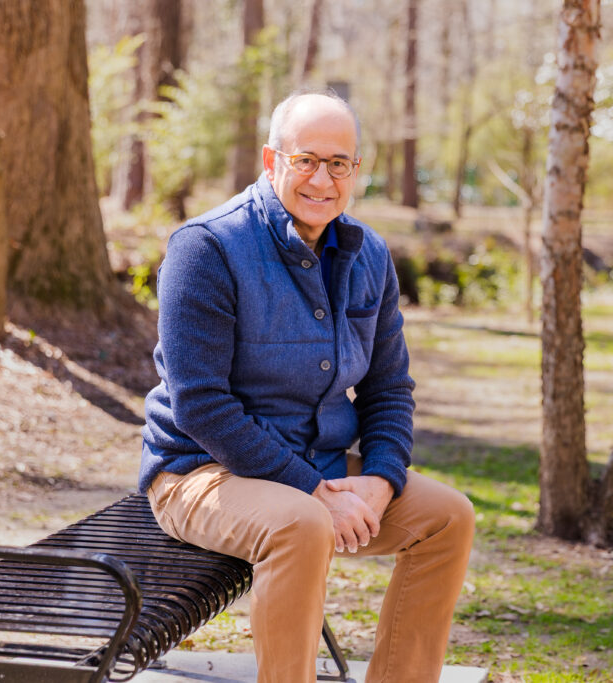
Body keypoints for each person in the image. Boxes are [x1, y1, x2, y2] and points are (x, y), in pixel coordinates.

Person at [138, 89, 476, 683]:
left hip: (319, 467)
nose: (323, 178)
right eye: (305, 160)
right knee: (302, 524)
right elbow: (201, 404)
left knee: (447, 518)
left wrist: (380, 476)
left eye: (338, 163)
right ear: (272, 162)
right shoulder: (206, 248)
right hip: (201, 471)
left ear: (356, 172)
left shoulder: (368, 254)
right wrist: (314, 490)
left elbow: (389, 388)